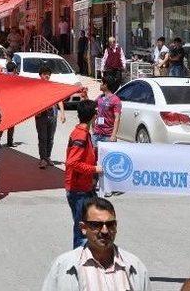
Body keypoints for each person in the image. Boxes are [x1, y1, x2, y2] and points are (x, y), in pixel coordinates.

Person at [41, 197, 151, 291]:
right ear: (83, 228)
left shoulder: (135, 266)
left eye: (110, 224)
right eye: (96, 225)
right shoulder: (63, 267)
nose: (104, 231)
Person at [65, 100, 102, 248]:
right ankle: (79, 263)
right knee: (82, 230)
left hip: (85, 187)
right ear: (93, 116)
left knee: (89, 224)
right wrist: (94, 170)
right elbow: (72, 162)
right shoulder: (80, 135)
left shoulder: (83, 133)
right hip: (78, 189)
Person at [35, 65, 66, 169]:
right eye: (45, 74)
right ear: (40, 75)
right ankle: (42, 158)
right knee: (42, 137)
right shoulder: (37, 87)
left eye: (48, 74)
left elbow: (59, 99)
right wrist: (36, 111)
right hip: (41, 115)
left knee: (51, 138)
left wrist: (62, 113)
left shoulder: (53, 86)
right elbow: (32, 101)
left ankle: (48, 156)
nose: (47, 76)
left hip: (52, 114)